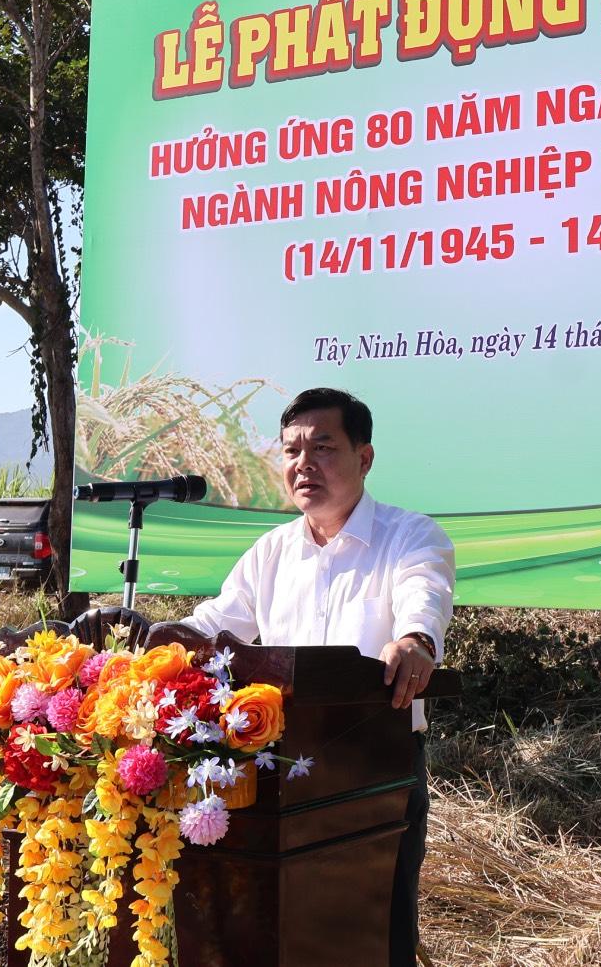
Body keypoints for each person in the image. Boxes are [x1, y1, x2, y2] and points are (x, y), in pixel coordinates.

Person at [180, 386, 454, 967]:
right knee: (278, 927)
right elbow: (210, 628)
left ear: (365, 457)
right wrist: (159, 646)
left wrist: (415, 641)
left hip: (372, 766)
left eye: (323, 447)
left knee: (377, 928)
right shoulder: (271, 552)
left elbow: (422, 596)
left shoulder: (410, 536)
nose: (303, 464)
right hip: (274, 770)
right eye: (291, 451)